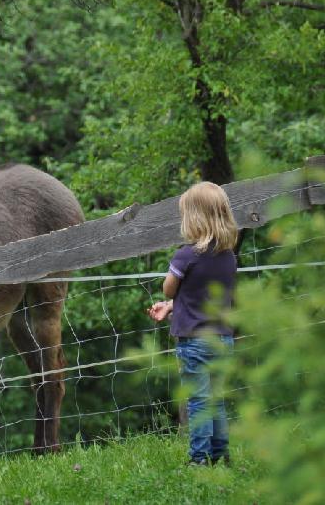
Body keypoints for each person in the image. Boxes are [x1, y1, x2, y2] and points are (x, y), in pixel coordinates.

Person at [148, 181, 238, 466]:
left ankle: (199, 460)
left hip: (194, 341)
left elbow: (169, 289)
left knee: (198, 402)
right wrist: (174, 307)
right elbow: (202, 294)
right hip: (222, 340)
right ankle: (221, 454)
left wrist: (169, 300)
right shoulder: (228, 257)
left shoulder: (186, 255)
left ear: (193, 217)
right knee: (217, 401)